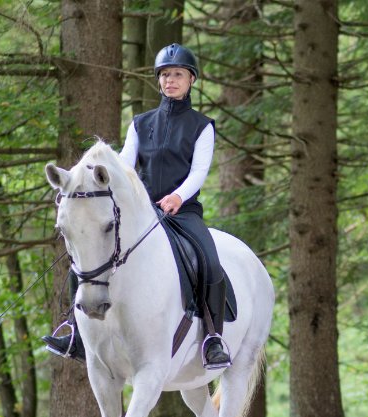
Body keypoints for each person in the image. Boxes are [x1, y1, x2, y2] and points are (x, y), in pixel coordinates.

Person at [43, 43, 232, 370]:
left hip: (182, 212)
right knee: (87, 255)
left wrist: (177, 197)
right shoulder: (140, 124)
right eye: (165, 75)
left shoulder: (202, 126)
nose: (170, 80)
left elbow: (200, 171)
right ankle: (74, 330)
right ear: (158, 80)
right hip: (143, 214)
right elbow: (125, 168)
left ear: (191, 80)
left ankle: (213, 337)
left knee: (209, 262)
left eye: (177, 74)